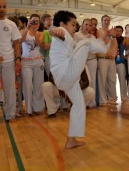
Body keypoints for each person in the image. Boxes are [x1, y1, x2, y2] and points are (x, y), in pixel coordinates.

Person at [49, 10, 116, 149]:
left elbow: (80, 48)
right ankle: (108, 52)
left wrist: (104, 38)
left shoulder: (70, 39)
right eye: (73, 24)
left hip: (65, 78)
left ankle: (71, 140)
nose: (75, 28)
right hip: (65, 73)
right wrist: (55, 30)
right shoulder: (62, 31)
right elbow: (53, 31)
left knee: (79, 105)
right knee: (86, 43)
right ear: (63, 24)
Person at [20, 14, 45, 116]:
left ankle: (38, 108)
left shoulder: (41, 33)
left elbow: (39, 44)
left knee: (38, 85)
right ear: (29, 21)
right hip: (26, 62)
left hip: (38, 62)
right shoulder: (23, 31)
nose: (35, 23)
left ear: (39, 23)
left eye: (37, 21)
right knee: (27, 86)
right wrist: (27, 28)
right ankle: (29, 109)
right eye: (33, 21)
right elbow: (20, 41)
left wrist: (35, 32)